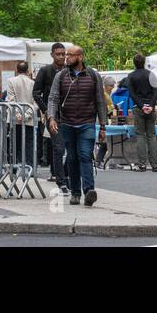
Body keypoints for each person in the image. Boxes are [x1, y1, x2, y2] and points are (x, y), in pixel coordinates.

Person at [46, 44, 109, 207]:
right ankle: (75, 192)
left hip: (87, 123)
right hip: (66, 123)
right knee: (72, 158)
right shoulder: (60, 76)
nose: (67, 58)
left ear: (80, 57)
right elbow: (53, 98)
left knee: (85, 155)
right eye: (67, 55)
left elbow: (100, 102)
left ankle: (89, 190)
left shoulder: (94, 76)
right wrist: (51, 117)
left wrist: (103, 126)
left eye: (71, 55)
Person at [32, 42, 68, 193]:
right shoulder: (46, 71)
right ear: (52, 55)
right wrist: (46, 110)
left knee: (70, 149)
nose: (61, 56)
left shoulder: (69, 71)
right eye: (58, 54)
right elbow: (36, 92)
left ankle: (65, 174)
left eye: (63, 54)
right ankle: (61, 181)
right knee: (58, 147)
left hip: (69, 115)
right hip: (53, 116)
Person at [126, 53, 157, 172]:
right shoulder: (151, 74)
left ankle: (142, 164)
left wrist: (141, 106)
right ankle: (155, 164)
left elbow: (131, 93)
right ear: (144, 62)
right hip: (151, 109)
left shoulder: (131, 76)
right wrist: (151, 105)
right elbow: (156, 91)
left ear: (134, 63)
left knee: (140, 135)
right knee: (151, 135)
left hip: (138, 108)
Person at [6, 61, 36, 168]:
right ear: (27, 70)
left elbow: (11, 99)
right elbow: (34, 102)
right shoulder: (33, 83)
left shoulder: (11, 81)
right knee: (29, 144)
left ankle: (13, 167)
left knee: (14, 144)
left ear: (16, 70)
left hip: (14, 118)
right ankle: (30, 167)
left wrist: (18, 113)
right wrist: (26, 115)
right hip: (29, 119)